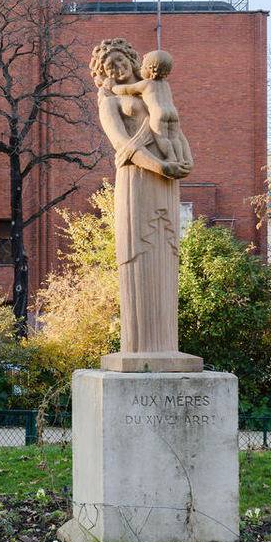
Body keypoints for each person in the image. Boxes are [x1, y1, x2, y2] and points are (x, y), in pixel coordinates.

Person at [89, 38, 192, 355]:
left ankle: (166, 347)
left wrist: (184, 162)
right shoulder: (109, 101)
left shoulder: (155, 87)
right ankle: (139, 347)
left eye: (119, 61)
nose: (116, 70)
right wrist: (161, 165)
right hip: (138, 177)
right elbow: (124, 147)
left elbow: (174, 132)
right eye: (109, 68)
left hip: (166, 181)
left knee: (165, 253)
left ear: (132, 59)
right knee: (139, 255)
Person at [106, 49, 192, 166]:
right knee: (174, 138)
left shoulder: (146, 84)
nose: (141, 69)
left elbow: (126, 90)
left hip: (159, 114)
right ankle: (180, 158)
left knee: (162, 138)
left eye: (143, 67)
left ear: (149, 70)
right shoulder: (166, 85)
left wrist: (113, 87)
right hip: (173, 113)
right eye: (111, 66)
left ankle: (170, 157)